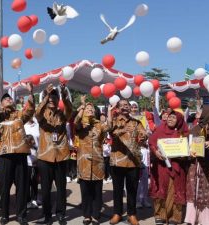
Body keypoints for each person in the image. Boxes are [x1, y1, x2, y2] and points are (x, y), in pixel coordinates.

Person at [0, 76, 35, 225]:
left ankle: (21, 215)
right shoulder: (0, 115)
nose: (8, 99)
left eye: (10, 98)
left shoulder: (19, 115)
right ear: (2, 104)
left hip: (20, 153)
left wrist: (31, 93)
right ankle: (5, 215)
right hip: (4, 154)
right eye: (6, 99)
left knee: (22, 187)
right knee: (4, 186)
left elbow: (29, 111)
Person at [35, 83, 72, 225]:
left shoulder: (63, 116)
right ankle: (46, 215)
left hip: (61, 156)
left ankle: (61, 214)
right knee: (45, 189)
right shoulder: (41, 116)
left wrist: (63, 92)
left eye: (54, 98)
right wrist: (46, 96)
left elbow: (69, 108)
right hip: (45, 157)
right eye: (49, 98)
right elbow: (37, 112)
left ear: (58, 100)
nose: (52, 100)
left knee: (61, 188)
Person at [74, 96, 112, 225]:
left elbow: (109, 126)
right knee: (85, 192)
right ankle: (87, 215)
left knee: (97, 191)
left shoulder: (99, 125)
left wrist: (110, 112)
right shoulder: (80, 126)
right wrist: (83, 104)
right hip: (83, 163)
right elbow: (76, 121)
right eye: (87, 109)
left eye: (91, 108)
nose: (90, 110)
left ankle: (96, 215)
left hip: (97, 163)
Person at [109, 99, 147, 225]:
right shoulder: (114, 121)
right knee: (117, 189)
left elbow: (144, 133)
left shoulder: (136, 122)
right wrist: (123, 130)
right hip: (117, 160)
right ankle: (117, 213)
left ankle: (132, 214)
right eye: (122, 105)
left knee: (132, 189)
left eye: (127, 105)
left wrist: (143, 136)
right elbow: (111, 132)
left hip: (133, 161)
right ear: (118, 108)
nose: (125, 107)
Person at [148, 111, 189, 225]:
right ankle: (160, 215)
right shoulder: (160, 129)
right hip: (162, 166)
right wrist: (155, 152)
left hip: (177, 167)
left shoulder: (183, 132)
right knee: (161, 189)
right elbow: (151, 142)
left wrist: (184, 153)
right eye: (169, 117)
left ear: (179, 121)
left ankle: (174, 217)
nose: (170, 119)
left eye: (174, 118)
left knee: (176, 190)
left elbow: (188, 148)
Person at [185, 105, 209, 225]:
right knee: (193, 189)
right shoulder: (195, 129)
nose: (198, 113)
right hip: (195, 165)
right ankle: (191, 218)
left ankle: (206, 219)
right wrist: (189, 150)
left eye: (200, 112)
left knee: (208, 191)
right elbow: (188, 143)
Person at [25, 135, 39, 209]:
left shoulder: (35, 148)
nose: (33, 141)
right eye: (31, 140)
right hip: (28, 167)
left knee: (35, 183)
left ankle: (35, 199)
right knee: (27, 184)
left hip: (35, 167)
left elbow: (37, 155)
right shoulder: (26, 150)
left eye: (33, 139)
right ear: (28, 142)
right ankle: (28, 200)